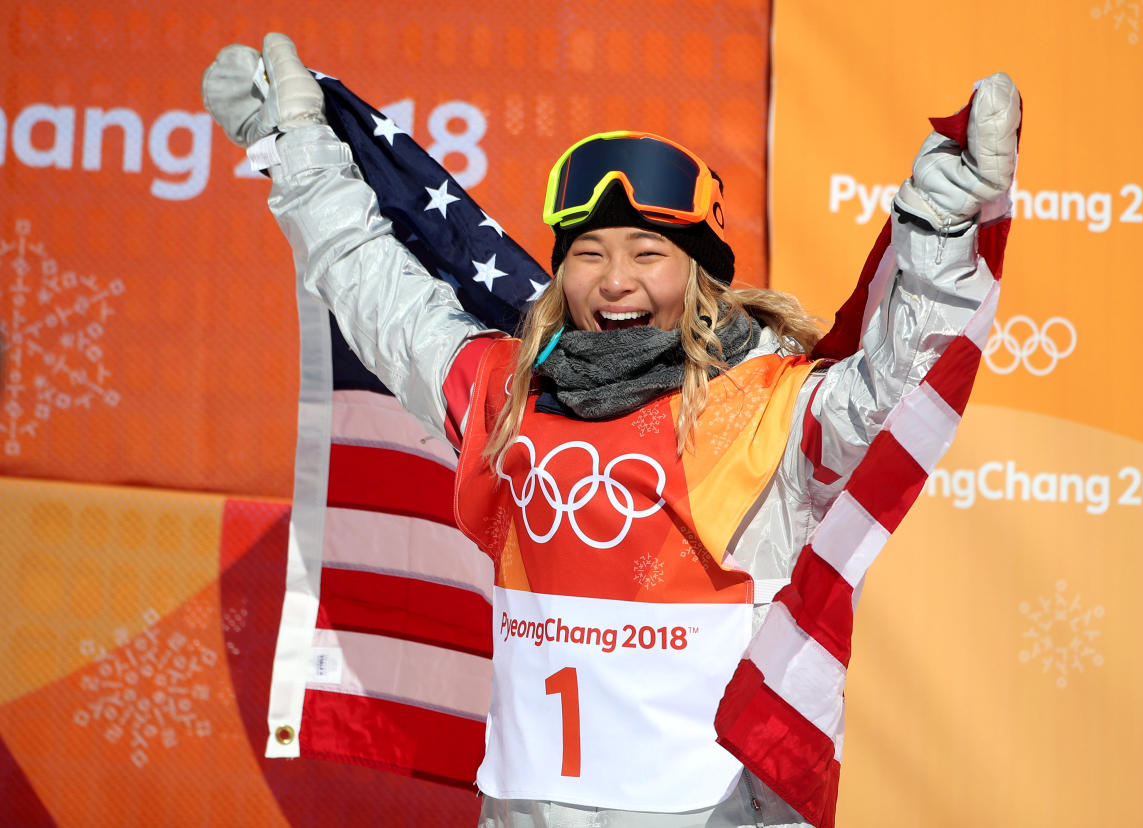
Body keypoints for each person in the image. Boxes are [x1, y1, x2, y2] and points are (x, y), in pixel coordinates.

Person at [204, 33, 1019, 828]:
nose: (617, 279)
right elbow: (370, 286)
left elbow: (895, 384)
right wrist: (296, 147)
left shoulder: (767, 407)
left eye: (648, 252)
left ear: (699, 271)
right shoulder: (509, 393)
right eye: (589, 251)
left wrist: (939, 229)